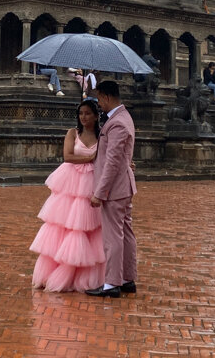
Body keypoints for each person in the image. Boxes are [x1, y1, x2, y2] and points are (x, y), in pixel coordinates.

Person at [30, 100, 105, 292]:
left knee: (90, 227)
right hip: (71, 181)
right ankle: (58, 272)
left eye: (88, 113)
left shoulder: (102, 135)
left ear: (96, 116)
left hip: (92, 181)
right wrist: (90, 158)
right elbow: (68, 156)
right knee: (65, 226)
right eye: (81, 113)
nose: (84, 117)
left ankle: (84, 276)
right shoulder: (73, 133)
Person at [86, 80, 137, 298]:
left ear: (106, 97)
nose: (99, 104)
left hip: (114, 188)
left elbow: (112, 162)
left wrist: (100, 192)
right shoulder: (123, 117)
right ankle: (127, 278)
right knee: (125, 233)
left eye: (99, 99)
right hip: (123, 186)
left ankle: (112, 282)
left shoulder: (117, 123)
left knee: (113, 236)